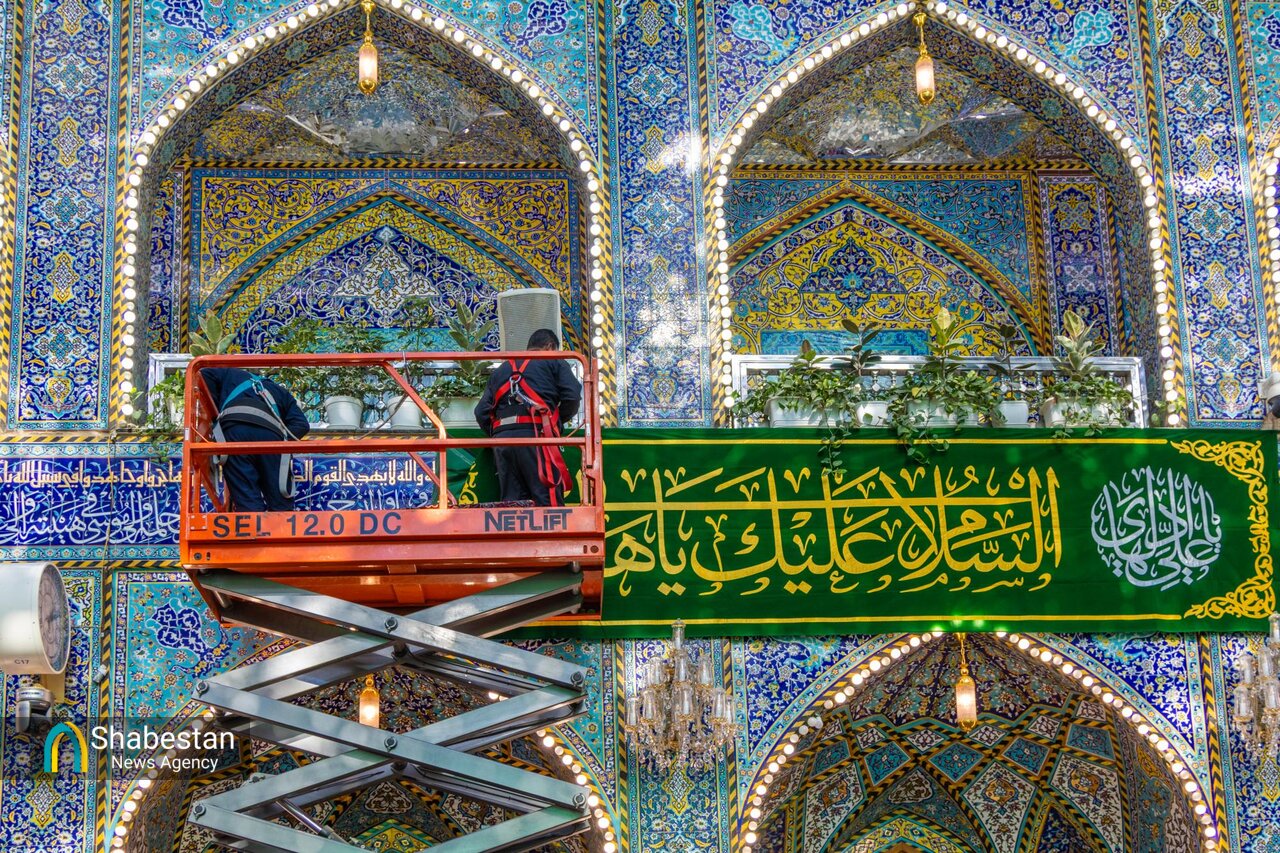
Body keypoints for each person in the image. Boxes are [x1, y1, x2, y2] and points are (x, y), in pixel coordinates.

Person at [474, 329, 582, 506]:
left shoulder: (502, 369)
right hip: (537, 436)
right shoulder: (553, 360)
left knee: (512, 504)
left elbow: (481, 412)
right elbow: (572, 397)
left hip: (503, 441)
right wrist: (553, 423)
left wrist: (500, 434)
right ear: (550, 346)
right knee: (547, 500)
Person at [200, 366, 311, 511]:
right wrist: (282, 440)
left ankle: (251, 521)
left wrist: (215, 414)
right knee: (280, 503)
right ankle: (280, 523)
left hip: (234, 431)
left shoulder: (230, 372)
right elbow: (302, 425)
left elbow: (204, 374)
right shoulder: (280, 391)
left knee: (247, 500)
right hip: (271, 438)